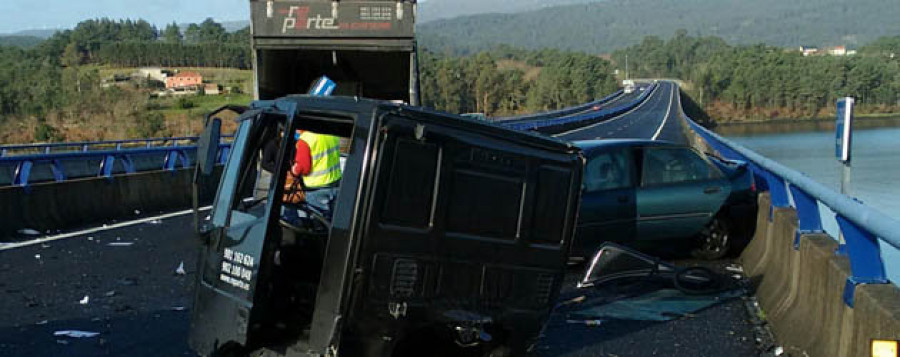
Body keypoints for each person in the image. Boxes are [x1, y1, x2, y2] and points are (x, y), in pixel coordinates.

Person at [282, 130, 342, 226]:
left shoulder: (305, 140)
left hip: (317, 188)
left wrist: (294, 170)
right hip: (336, 183)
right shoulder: (332, 134)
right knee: (333, 220)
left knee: (319, 222)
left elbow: (304, 167)